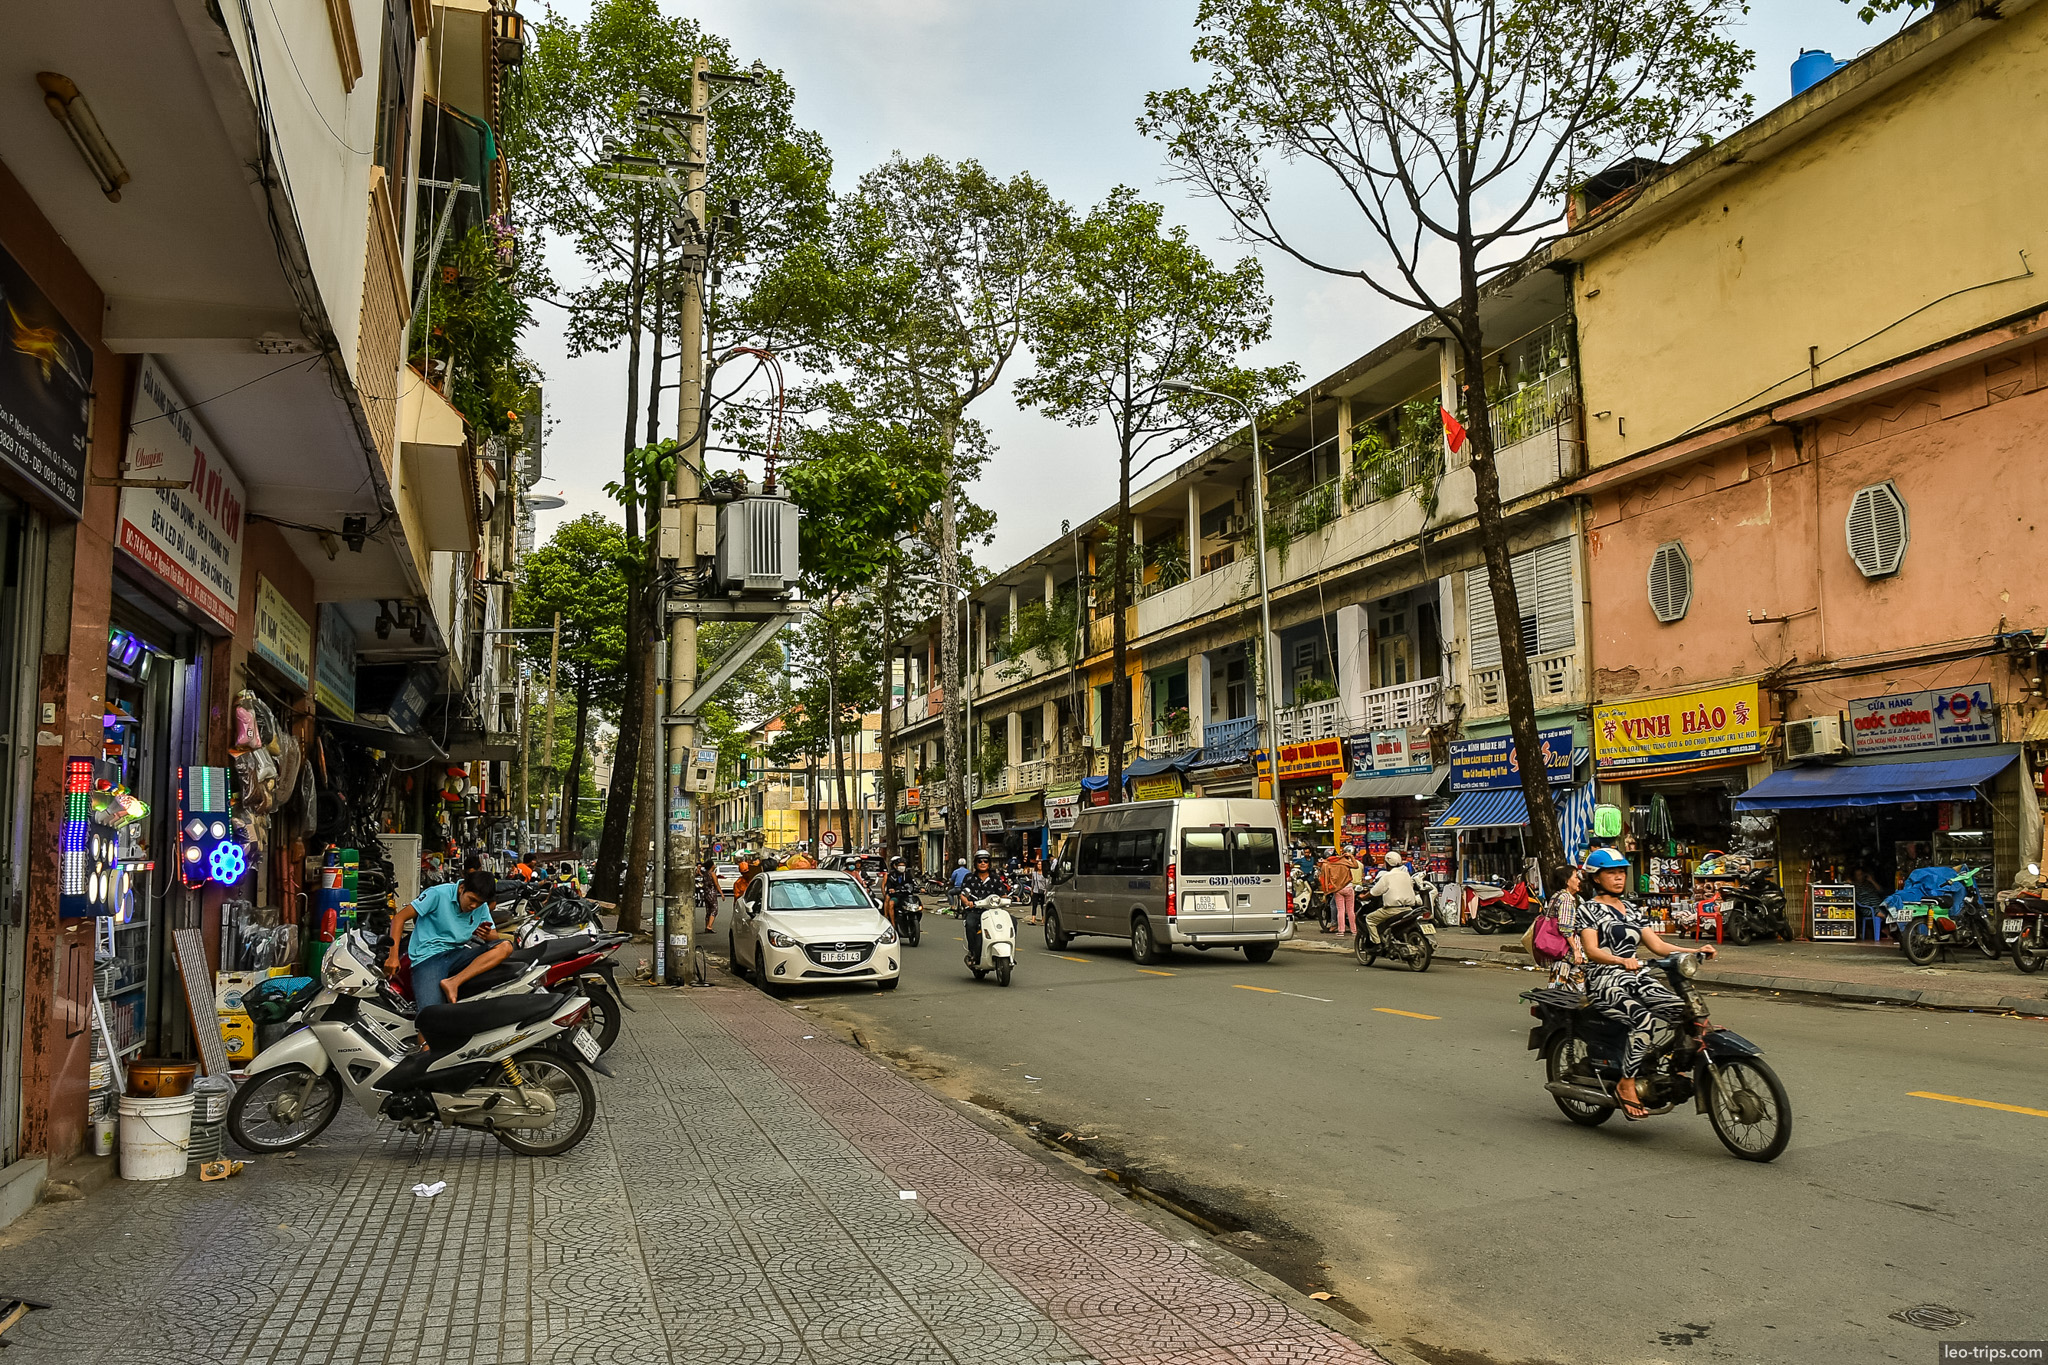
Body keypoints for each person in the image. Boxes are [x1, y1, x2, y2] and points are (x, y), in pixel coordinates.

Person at [1576, 847, 1713, 1120]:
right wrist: (1617, 960)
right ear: (1595, 878)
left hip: (1637, 976)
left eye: (1620, 872)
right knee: (1643, 1021)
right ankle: (1626, 1084)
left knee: (1685, 1013)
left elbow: (1659, 946)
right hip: (1604, 979)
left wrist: (1693, 952)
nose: (1618, 878)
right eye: (1611, 873)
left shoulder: (1632, 910)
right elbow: (1591, 951)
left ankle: (1662, 1067)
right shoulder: (1588, 910)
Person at [385, 870, 509, 1009]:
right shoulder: (437, 894)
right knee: (431, 1015)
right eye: (472, 899)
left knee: (505, 946)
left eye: (479, 903)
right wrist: (393, 956)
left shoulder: (481, 907)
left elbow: (495, 937)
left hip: (458, 953)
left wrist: (486, 935)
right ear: (462, 888)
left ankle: (453, 982)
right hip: (429, 956)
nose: (474, 906)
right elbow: (399, 918)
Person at [1536, 862, 1588, 991]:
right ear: (1566, 881)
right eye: (1576, 877)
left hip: (1565, 954)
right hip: (1565, 952)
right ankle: (1548, 1009)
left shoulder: (1557, 896)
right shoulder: (1566, 898)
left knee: (1581, 989)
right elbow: (1565, 927)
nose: (1579, 880)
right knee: (1555, 991)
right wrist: (1576, 950)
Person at [958, 850, 1011, 965]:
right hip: (976, 911)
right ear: (975, 863)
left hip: (994, 912)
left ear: (989, 863)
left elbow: (1003, 894)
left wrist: (1007, 899)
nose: (982, 863)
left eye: (985, 861)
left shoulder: (995, 878)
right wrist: (967, 903)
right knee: (970, 924)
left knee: (1013, 922)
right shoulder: (969, 878)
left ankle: (1009, 953)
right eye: (980, 861)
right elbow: (962, 894)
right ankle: (972, 952)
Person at [1362, 851, 1420, 947]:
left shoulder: (1386, 876)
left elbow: (1374, 892)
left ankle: (1377, 944)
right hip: (1408, 909)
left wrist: (1363, 897)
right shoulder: (1406, 875)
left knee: (1370, 919)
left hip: (1392, 910)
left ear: (1387, 864)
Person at [1320, 845, 1363, 936]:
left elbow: (1325, 878)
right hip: (1349, 887)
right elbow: (1355, 866)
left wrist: (1327, 890)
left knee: (1340, 910)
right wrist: (1351, 856)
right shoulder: (1344, 861)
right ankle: (1354, 931)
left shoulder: (1328, 863)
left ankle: (1341, 931)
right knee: (1350, 910)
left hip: (1338, 889)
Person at [885, 857, 916, 927]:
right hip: (896, 896)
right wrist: (892, 890)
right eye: (900, 866)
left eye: (903, 866)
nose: (902, 867)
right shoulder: (892, 875)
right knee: (891, 903)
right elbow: (889, 886)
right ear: (895, 866)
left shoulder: (908, 875)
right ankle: (893, 924)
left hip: (907, 896)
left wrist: (921, 888)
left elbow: (914, 883)